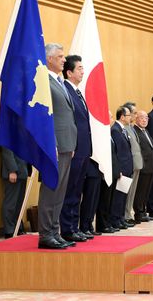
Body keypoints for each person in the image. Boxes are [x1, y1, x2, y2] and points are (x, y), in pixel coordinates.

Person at [37, 43, 77, 249]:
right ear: (49, 59)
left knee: (60, 190)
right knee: (51, 189)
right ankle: (45, 234)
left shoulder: (59, 82)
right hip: (54, 144)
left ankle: (54, 230)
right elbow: (44, 116)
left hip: (66, 144)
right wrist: (50, 142)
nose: (64, 59)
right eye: (60, 56)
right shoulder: (44, 82)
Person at [59, 55, 92, 242]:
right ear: (69, 72)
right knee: (69, 190)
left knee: (77, 190)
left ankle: (74, 226)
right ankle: (67, 228)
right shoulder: (66, 91)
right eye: (79, 68)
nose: (82, 71)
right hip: (73, 149)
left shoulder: (78, 93)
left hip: (84, 150)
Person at [110, 106, 134, 230]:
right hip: (121, 169)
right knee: (118, 196)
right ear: (122, 116)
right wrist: (118, 169)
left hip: (127, 168)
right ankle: (115, 220)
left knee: (123, 195)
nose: (131, 117)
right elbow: (117, 152)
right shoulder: (115, 130)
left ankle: (121, 218)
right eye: (129, 115)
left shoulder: (123, 129)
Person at [133, 111, 153, 222]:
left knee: (146, 190)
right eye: (141, 118)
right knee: (140, 191)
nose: (144, 120)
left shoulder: (146, 131)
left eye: (146, 118)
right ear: (136, 119)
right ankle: (138, 213)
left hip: (151, 165)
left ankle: (143, 211)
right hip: (143, 165)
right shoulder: (135, 131)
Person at [0, 147, 29, 238]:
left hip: (23, 170)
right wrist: (12, 170)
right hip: (14, 171)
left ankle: (17, 227)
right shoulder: (7, 131)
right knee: (11, 203)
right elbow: (6, 150)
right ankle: (9, 230)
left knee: (19, 204)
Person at [122, 102, 143, 226]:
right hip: (129, 165)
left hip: (136, 164)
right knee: (127, 191)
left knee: (132, 192)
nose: (135, 115)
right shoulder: (123, 128)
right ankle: (125, 215)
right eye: (133, 113)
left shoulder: (131, 127)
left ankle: (128, 213)